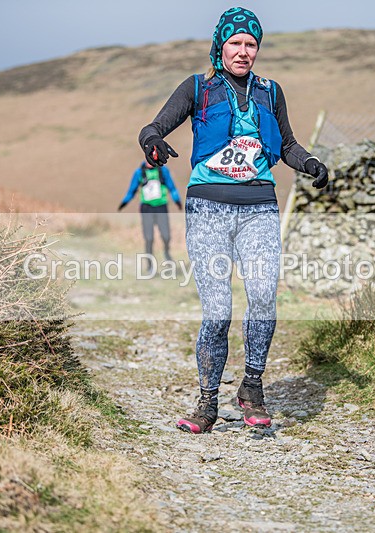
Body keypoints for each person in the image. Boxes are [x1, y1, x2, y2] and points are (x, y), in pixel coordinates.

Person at [138, 6, 329, 434]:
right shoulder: (197, 87)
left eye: (251, 44)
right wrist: (152, 142)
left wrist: (310, 163)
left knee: (262, 296)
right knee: (218, 311)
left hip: (259, 207)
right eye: (236, 43)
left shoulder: (270, 91)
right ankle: (207, 404)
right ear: (220, 46)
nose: (243, 51)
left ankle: (252, 388)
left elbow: (288, 144)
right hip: (208, 208)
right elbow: (153, 127)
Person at [118, 160, 182, 264]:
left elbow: (172, 188)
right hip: (146, 208)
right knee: (149, 238)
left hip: (161, 207)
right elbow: (131, 191)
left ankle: (166, 252)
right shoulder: (139, 173)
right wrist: (124, 203)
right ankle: (150, 264)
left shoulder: (163, 171)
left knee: (166, 236)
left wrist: (177, 201)